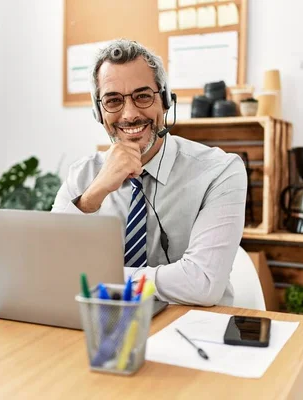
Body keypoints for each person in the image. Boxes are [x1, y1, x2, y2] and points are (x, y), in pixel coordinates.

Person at [52, 39, 247, 306]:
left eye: (143, 96)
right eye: (113, 100)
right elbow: (52, 267)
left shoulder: (220, 171)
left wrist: (103, 279)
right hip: (108, 327)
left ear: (166, 101)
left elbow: (202, 283)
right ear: (99, 112)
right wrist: (94, 194)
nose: (130, 114)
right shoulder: (83, 174)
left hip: (195, 328)